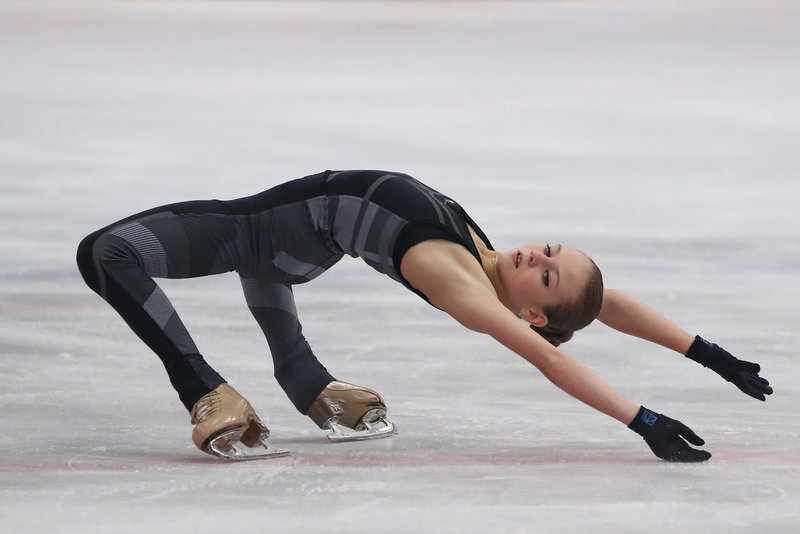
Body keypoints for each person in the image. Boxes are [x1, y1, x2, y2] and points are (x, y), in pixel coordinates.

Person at [76, 170, 772, 462]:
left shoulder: (462, 284)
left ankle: (205, 389)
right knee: (269, 273)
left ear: (531, 310)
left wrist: (641, 421)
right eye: (551, 249)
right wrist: (710, 355)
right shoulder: (495, 259)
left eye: (546, 271)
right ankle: (312, 388)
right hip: (301, 245)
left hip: (259, 231)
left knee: (105, 252)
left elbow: (551, 354)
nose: (536, 253)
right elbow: (603, 303)